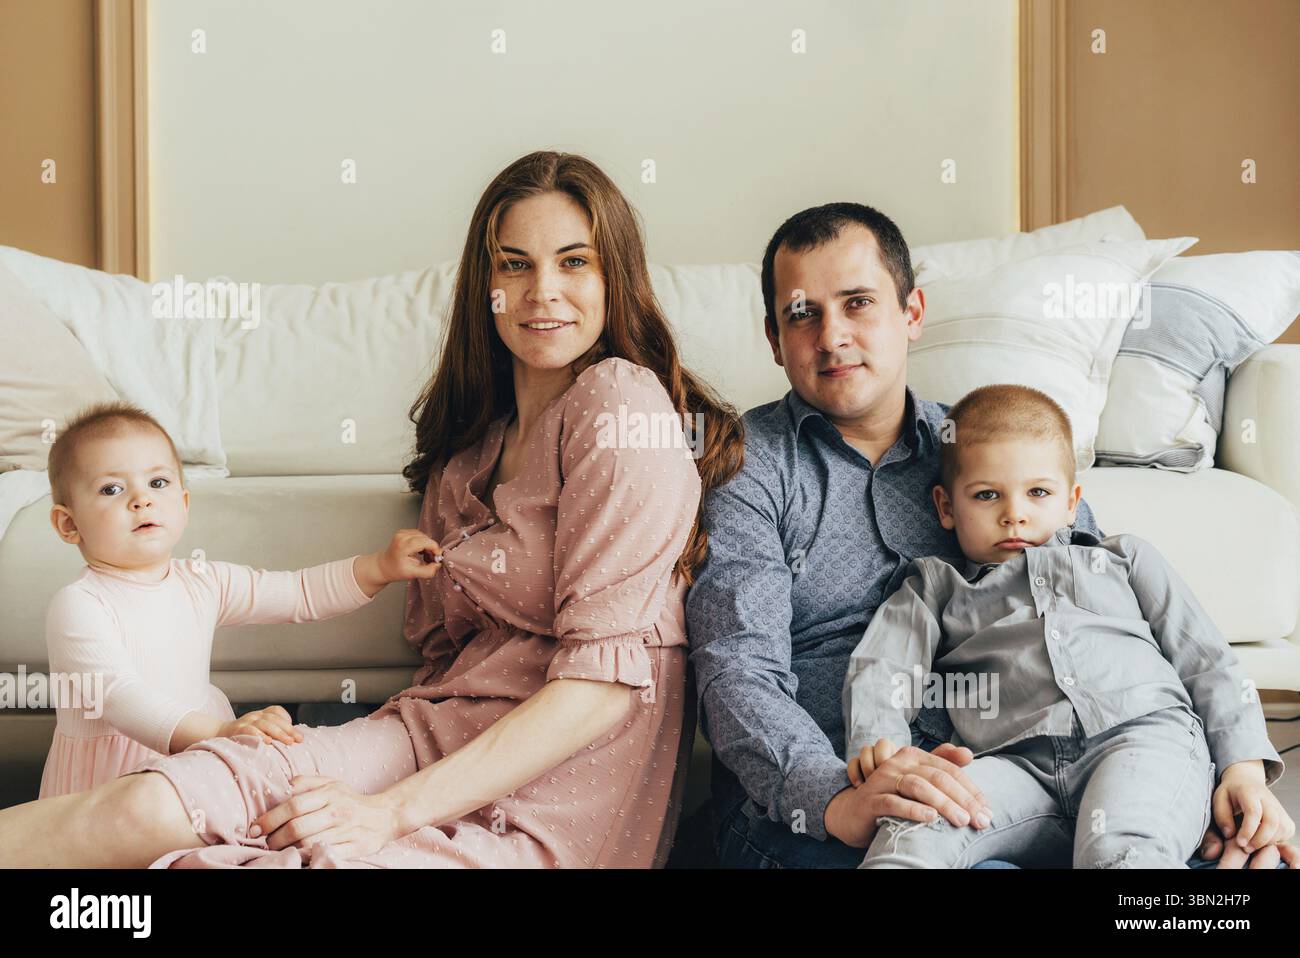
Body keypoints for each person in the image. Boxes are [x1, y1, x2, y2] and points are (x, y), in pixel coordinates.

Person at [0, 150, 743, 868]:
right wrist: (368, 780)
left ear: (616, 276)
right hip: (427, 738)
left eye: (574, 261)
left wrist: (387, 813)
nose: (542, 290)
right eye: (514, 264)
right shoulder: (468, 456)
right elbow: (447, 665)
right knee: (153, 810)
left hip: (560, 787)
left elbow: (601, 688)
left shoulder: (619, 404)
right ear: (484, 287)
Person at [685, 201, 1299, 869]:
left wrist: (1205, 781)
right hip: (836, 801)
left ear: (912, 313)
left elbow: (1101, 607)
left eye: (858, 303)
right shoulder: (748, 467)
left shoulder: (990, 441)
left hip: (1031, 770)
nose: (832, 336)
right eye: (802, 314)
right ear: (774, 338)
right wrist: (835, 797)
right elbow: (737, 673)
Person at [846, 383, 1290, 868]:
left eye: (1038, 492)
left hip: (1141, 739)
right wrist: (882, 748)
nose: (1014, 514)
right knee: (917, 825)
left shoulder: (1123, 559)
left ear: (1072, 501)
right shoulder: (934, 586)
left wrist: (1241, 769)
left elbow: (1207, 660)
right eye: (987, 495)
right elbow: (883, 666)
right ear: (947, 507)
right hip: (1016, 766)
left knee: (1120, 849)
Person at [39, 400, 440, 798]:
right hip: (112, 778)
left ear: (183, 503)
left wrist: (380, 567)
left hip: (189, 756)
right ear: (69, 524)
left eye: (157, 483)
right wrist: (216, 733)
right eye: (112, 488)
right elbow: (118, 697)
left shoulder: (202, 580)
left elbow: (297, 593)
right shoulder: (80, 604)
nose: (141, 499)